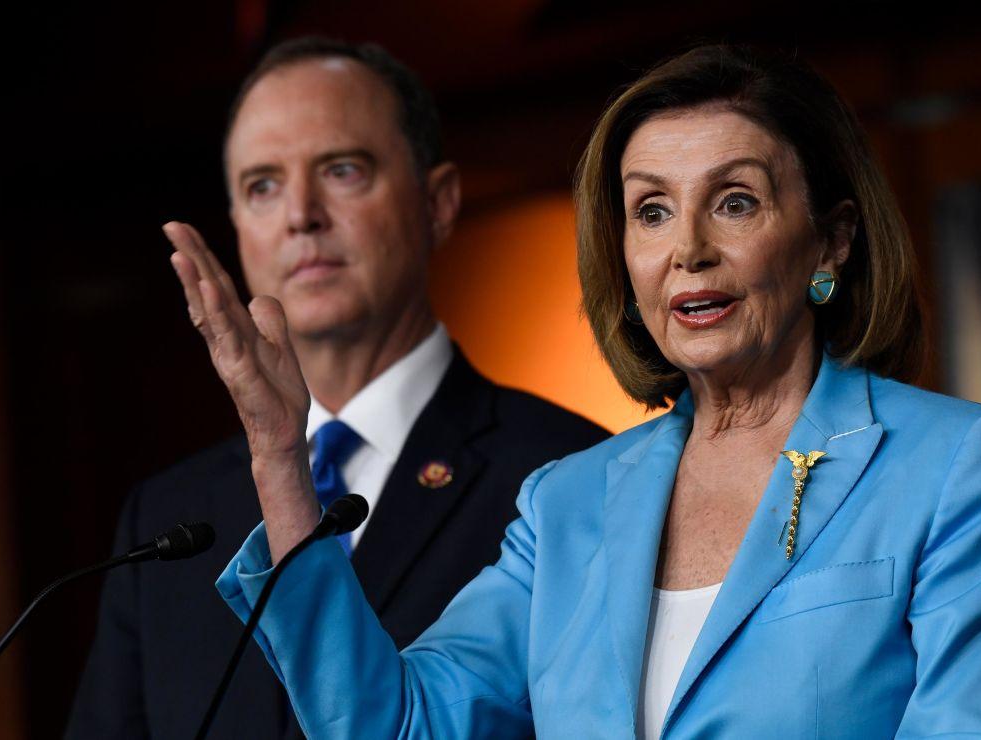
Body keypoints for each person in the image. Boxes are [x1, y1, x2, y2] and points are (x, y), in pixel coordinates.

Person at [180, 44, 981, 737]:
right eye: (651, 211)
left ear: (831, 240)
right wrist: (281, 457)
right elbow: (396, 724)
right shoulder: (566, 504)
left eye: (736, 202)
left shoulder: (955, 466)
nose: (689, 250)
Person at [66, 38, 608, 739]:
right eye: (263, 186)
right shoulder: (168, 517)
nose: (301, 214)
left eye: (343, 170)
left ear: (438, 203)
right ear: (238, 230)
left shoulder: (571, 474)